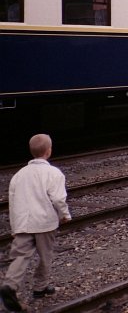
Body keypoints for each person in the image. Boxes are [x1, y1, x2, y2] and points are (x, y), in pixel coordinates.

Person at [0, 134, 71, 312]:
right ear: (49, 151)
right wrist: (65, 215)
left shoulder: (18, 175)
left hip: (23, 223)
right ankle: (40, 287)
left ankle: (10, 284)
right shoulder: (54, 173)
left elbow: (13, 202)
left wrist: (15, 227)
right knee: (45, 255)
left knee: (20, 256)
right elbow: (58, 199)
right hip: (45, 222)